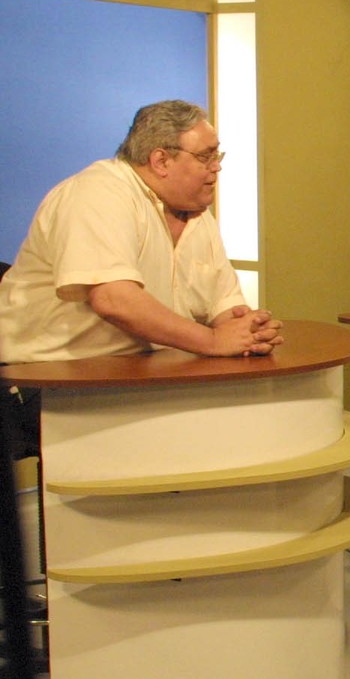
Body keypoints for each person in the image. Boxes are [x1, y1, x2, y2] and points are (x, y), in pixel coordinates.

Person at [0, 100, 283, 455]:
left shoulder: (198, 217)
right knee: (197, 443)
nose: (217, 167)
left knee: (243, 427)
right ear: (161, 160)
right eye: (205, 157)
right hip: (45, 380)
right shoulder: (97, 192)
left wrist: (250, 332)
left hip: (141, 377)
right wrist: (213, 341)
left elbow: (225, 308)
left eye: (218, 155)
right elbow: (114, 299)